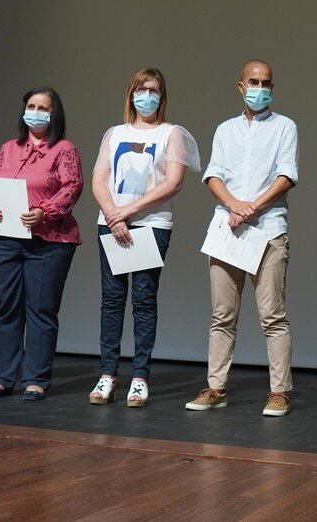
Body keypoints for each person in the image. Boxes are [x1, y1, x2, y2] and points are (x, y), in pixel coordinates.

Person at [185, 59, 298, 417]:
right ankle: (216, 387)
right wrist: (234, 205)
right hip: (228, 229)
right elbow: (213, 174)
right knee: (222, 315)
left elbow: (286, 176)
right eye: (253, 82)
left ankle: (279, 391)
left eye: (266, 83)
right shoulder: (225, 129)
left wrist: (251, 208)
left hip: (268, 229)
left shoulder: (284, 126)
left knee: (273, 316)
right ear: (240, 86)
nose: (259, 89)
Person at [88, 69, 201, 407]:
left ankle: (139, 377)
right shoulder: (115, 133)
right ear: (131, 94)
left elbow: (173, 183)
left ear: (162, 96)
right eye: (141, 89)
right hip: (111, 223)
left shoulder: (171, 134)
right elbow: (99, 179)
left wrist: (129, 211)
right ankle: (108, 374)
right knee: (112, 300)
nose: (147, 95)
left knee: (143, 299)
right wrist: (113, 214)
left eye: (153, 90)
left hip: (151, 224)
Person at [0, 87, 83, 401]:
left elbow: (72, 186)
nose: (35, 112)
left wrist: (44, 212)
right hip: (6, 238)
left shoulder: (64, 149)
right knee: (6, 309)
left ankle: (35, 379)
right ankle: (2, 377)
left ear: (54, 114)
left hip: (48, 241)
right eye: (31, 106)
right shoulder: (9, 148)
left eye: (43, 108)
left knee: (41, 310)